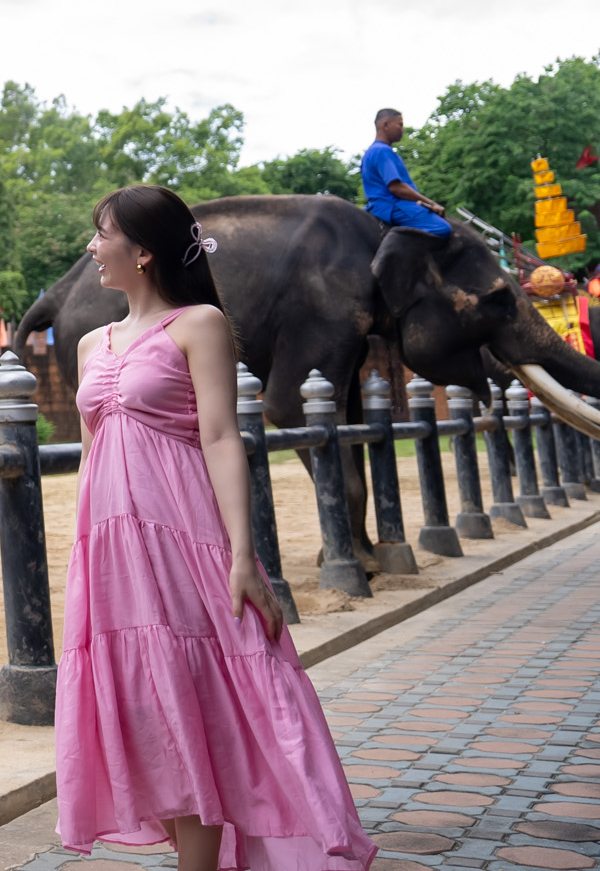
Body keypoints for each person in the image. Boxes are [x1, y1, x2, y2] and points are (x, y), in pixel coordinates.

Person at [59, 184, 372, 871]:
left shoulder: (198, 324)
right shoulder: (89, 345)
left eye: (102, 234)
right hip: (111, 548)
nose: (91, 247)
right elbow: (91, 452)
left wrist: (241, 555)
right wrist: (84, 556)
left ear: (143, 252)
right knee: (146, 704)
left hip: (183, 534)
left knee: (198, 691)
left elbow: (222, 437)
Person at [361, 108, 451, 237]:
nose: (402, 129)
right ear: (385, 125)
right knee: (441, 228)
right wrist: (432, 204)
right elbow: (396, 188)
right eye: (400, 125)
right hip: (393, 206)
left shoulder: (371, 152)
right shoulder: (383, 151)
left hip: (379, 207)